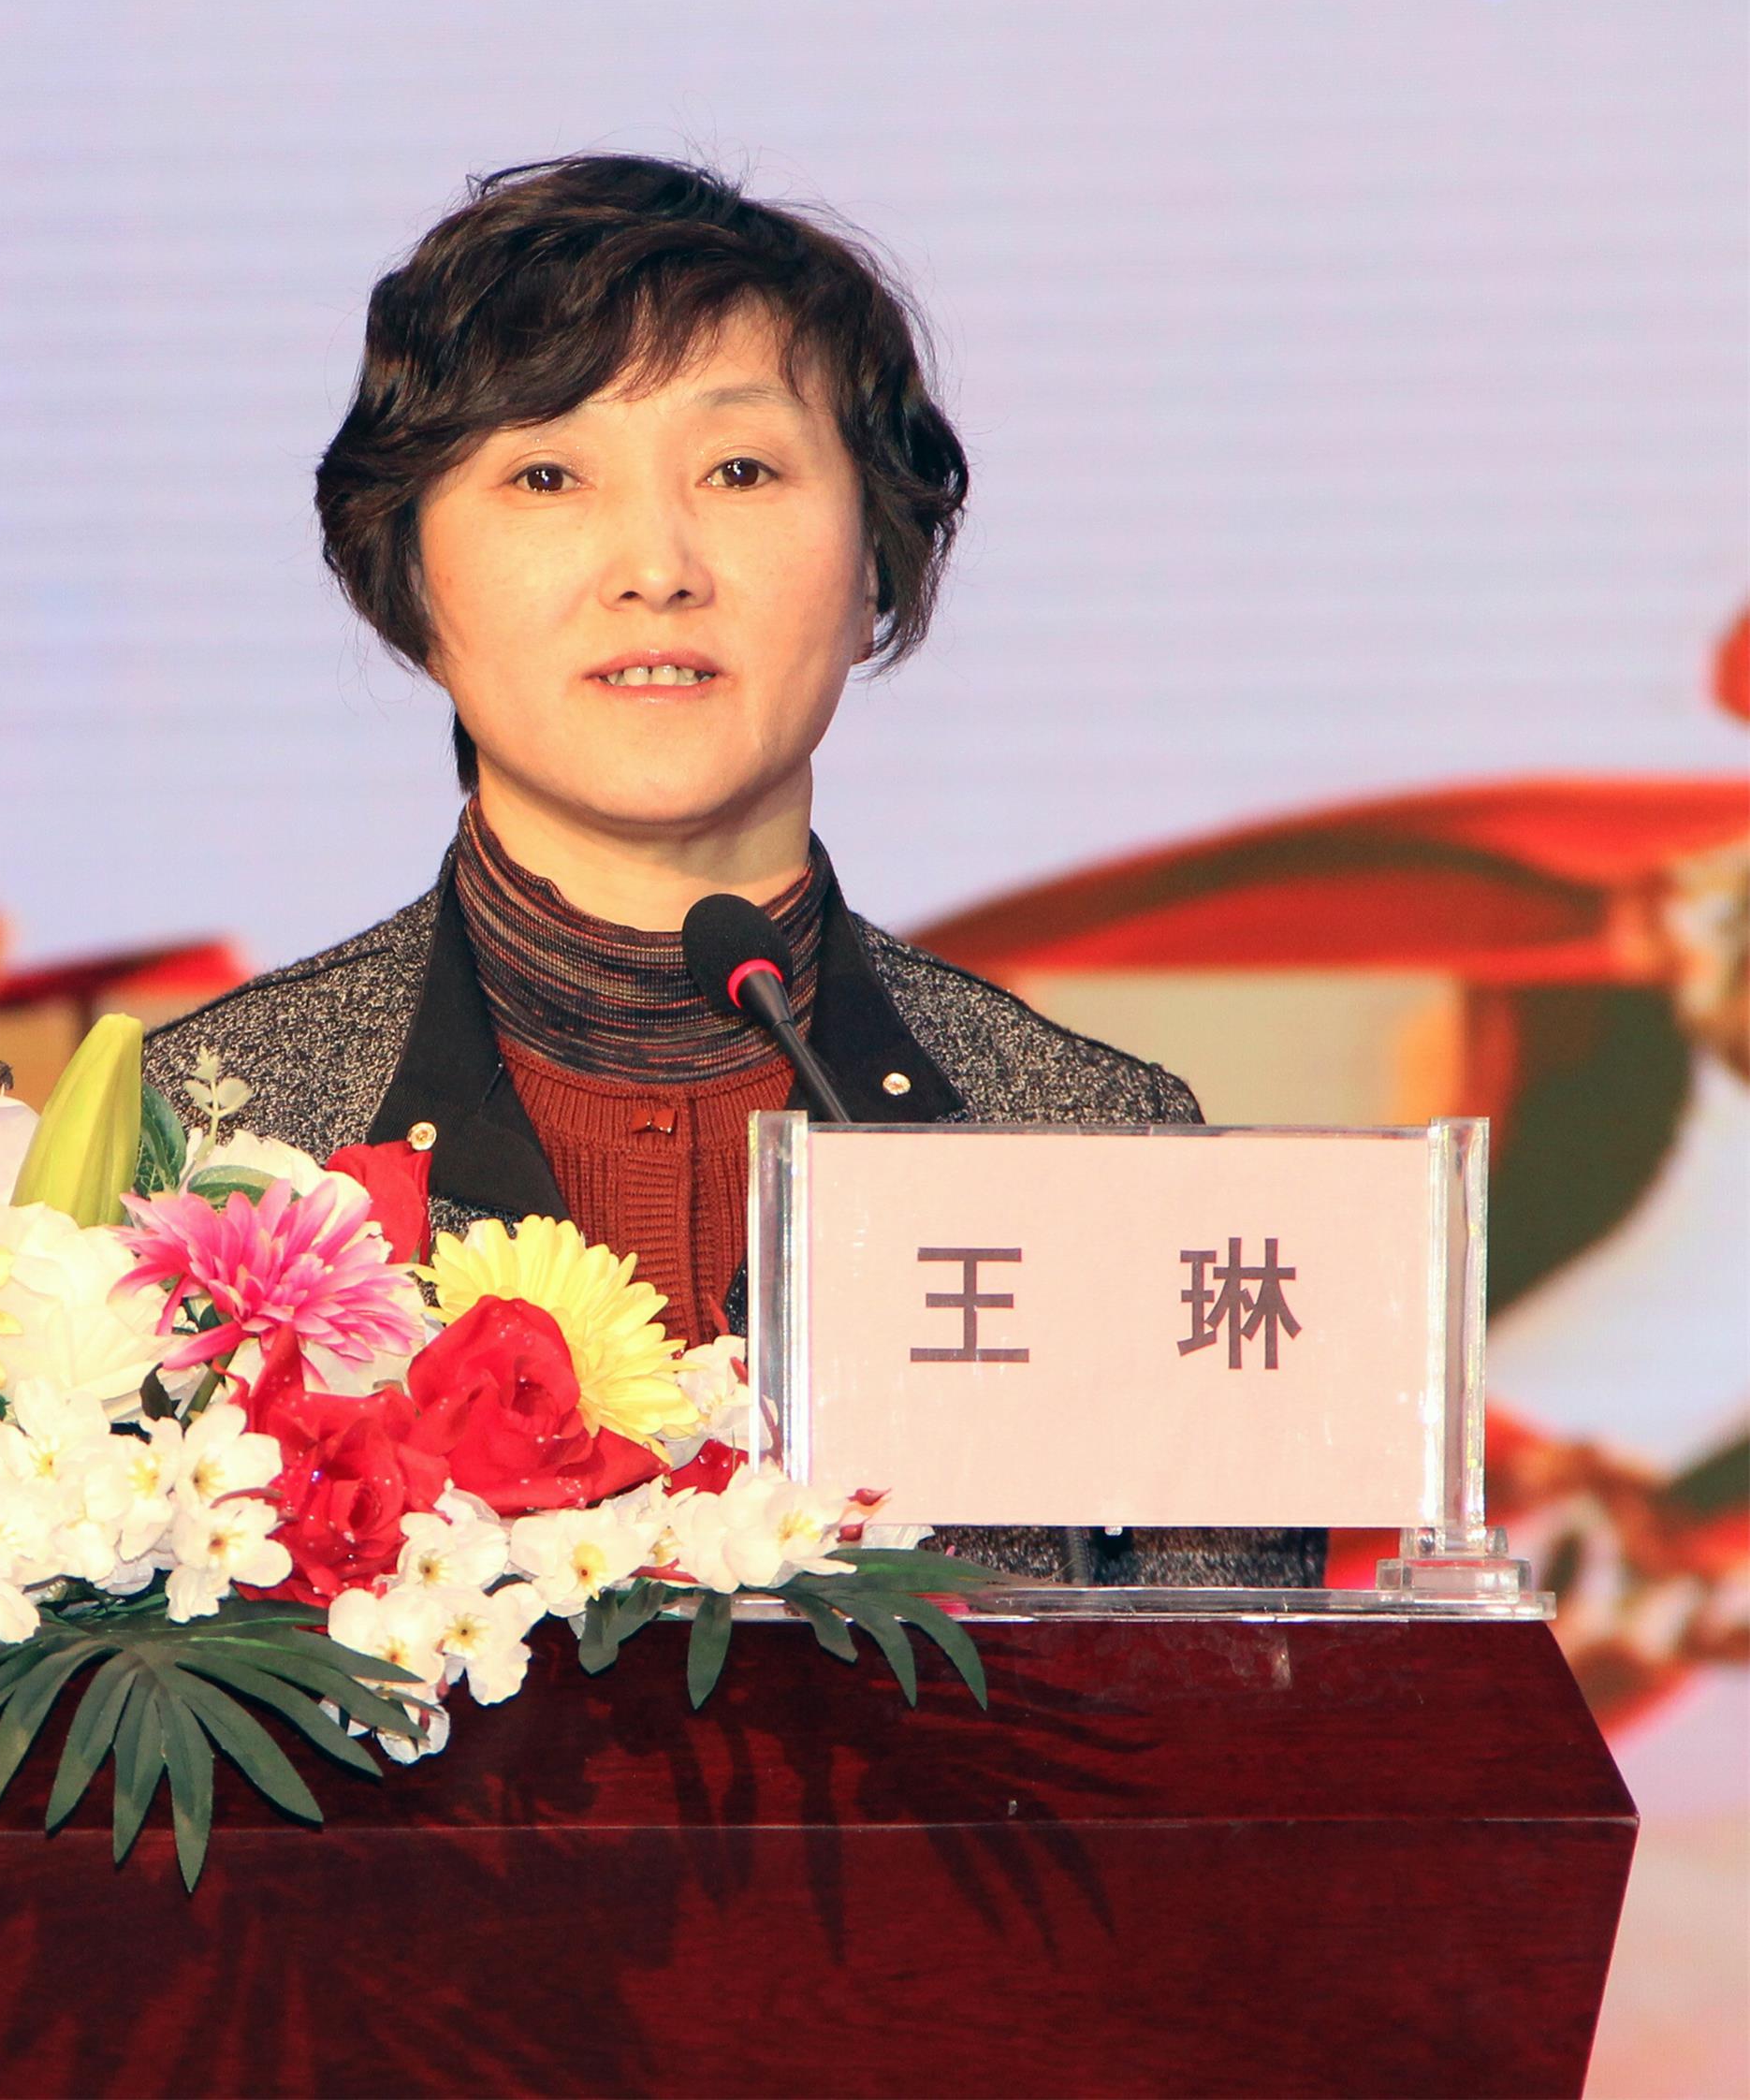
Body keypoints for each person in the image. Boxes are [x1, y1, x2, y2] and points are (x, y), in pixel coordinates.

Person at [145, 154, 1320, 1588]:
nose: (656, 566)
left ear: (874, 561)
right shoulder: (196, 1150)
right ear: (407, 578)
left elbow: (1230, 1706)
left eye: (740, 471)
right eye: (546, 475)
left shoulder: (1101, 1152)